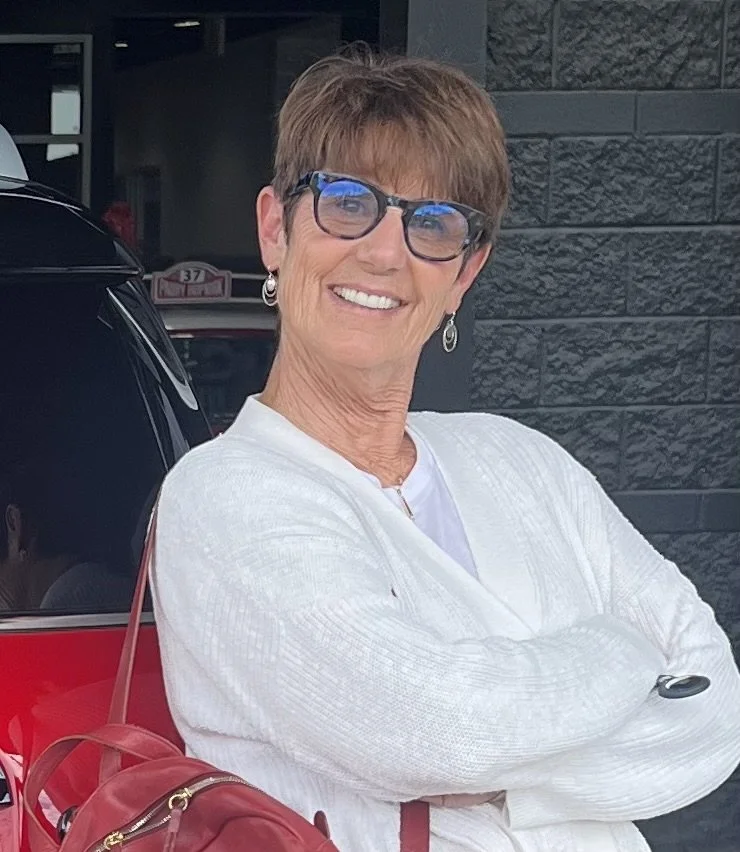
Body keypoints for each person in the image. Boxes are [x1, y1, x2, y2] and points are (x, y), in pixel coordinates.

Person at [152, 47, 740, 852]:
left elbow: (716, 707)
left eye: (432, 224)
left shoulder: (522, 461)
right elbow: (438, 727)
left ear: (465, 273)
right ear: (273, 228)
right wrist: (624, 650)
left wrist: (505, 780)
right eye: (349, 203)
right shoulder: (225, 496)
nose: (386, 253)